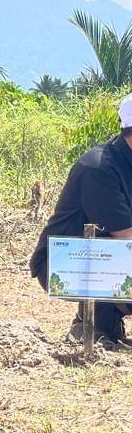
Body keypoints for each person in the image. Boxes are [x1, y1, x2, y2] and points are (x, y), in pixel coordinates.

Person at [30, 92, 132, 348]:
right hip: (64, 264)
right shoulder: (99, 168)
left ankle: (100, 326)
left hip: (103, 257)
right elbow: (124, 233)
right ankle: (94, 324)